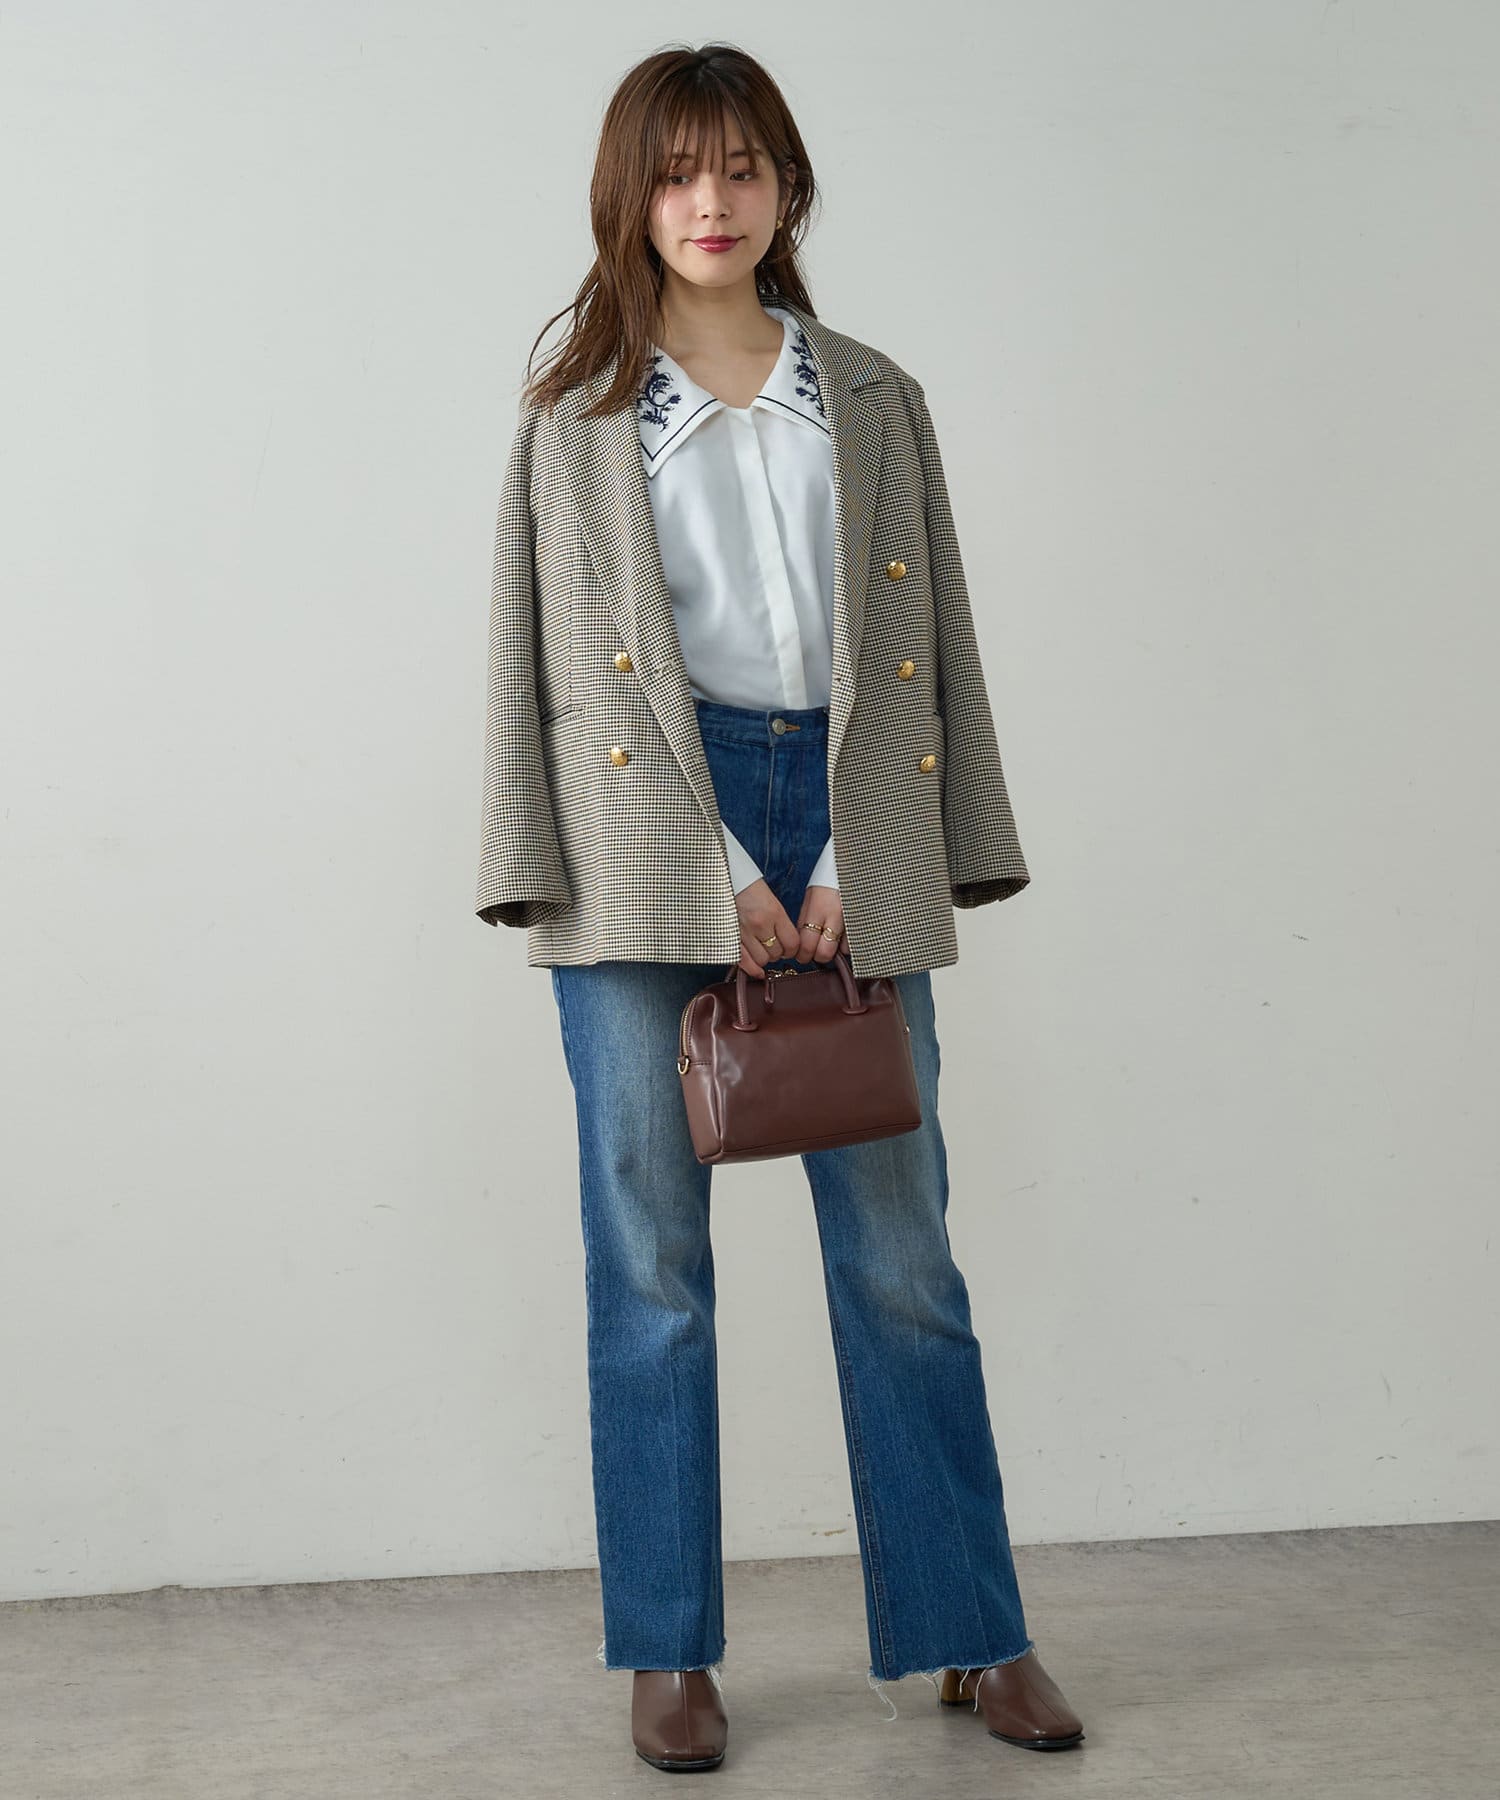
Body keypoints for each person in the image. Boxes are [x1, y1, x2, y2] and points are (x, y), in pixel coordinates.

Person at [474, 41, 1084, 1774]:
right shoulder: (574, 418)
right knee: (650, 1266)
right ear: (630, 195)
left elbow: (927, 640)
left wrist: (848, 856)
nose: (712, 202)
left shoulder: (875, 394)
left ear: (787, 186)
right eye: (678, 172)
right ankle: (668, 1651)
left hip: (847, 799)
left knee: (903, 1255)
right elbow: (542, 666)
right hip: (642, 832)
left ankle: (973, 1627)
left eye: (742, 168)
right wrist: (726, 871)